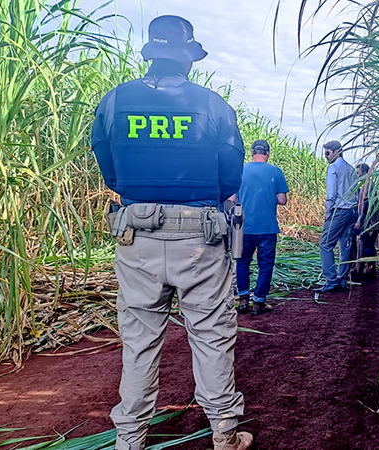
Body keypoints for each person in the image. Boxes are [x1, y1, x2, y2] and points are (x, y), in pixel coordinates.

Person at [90, 15, 252, 450]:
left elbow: (109, 168)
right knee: (212, 334)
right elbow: (230, 176)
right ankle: (224, 432)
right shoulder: (213, 104)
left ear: (151, 55)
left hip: (135, 237)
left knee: (139, 340)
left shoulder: (115, 100)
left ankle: (130, 438)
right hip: (199, 237)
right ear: (188, 58)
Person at [231, 139, 289, 316]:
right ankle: (258, 302)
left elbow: (232, 199)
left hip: (244, 227)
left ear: (251, 153)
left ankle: (242, 300)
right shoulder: (276, 172)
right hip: (267, 228)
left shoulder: (240, 171)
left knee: (242, 263)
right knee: (265, 265)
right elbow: (282, 200)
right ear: (268, 153)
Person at [315, 140, 359, 293]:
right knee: (345, 245)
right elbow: (356, 192)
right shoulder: (351, 169)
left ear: (336, 151)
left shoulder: (333, 168)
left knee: (325, 245)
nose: (325, 156)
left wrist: (328, 212)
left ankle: (331, 280)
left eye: (327, 153)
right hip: (351, 211)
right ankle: (341, 279)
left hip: (339, 211)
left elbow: (331, 194)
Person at [351, 163, 379, 280]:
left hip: (371, 222)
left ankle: (370, 270)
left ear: (364, 173)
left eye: (358, 172)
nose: (356, 175)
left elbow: (367, 205)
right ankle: (365, 269)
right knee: (366, 244)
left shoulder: (367, 186)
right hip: (372, 221)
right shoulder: (366, 185)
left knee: (368, 245)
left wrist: (359, 220)